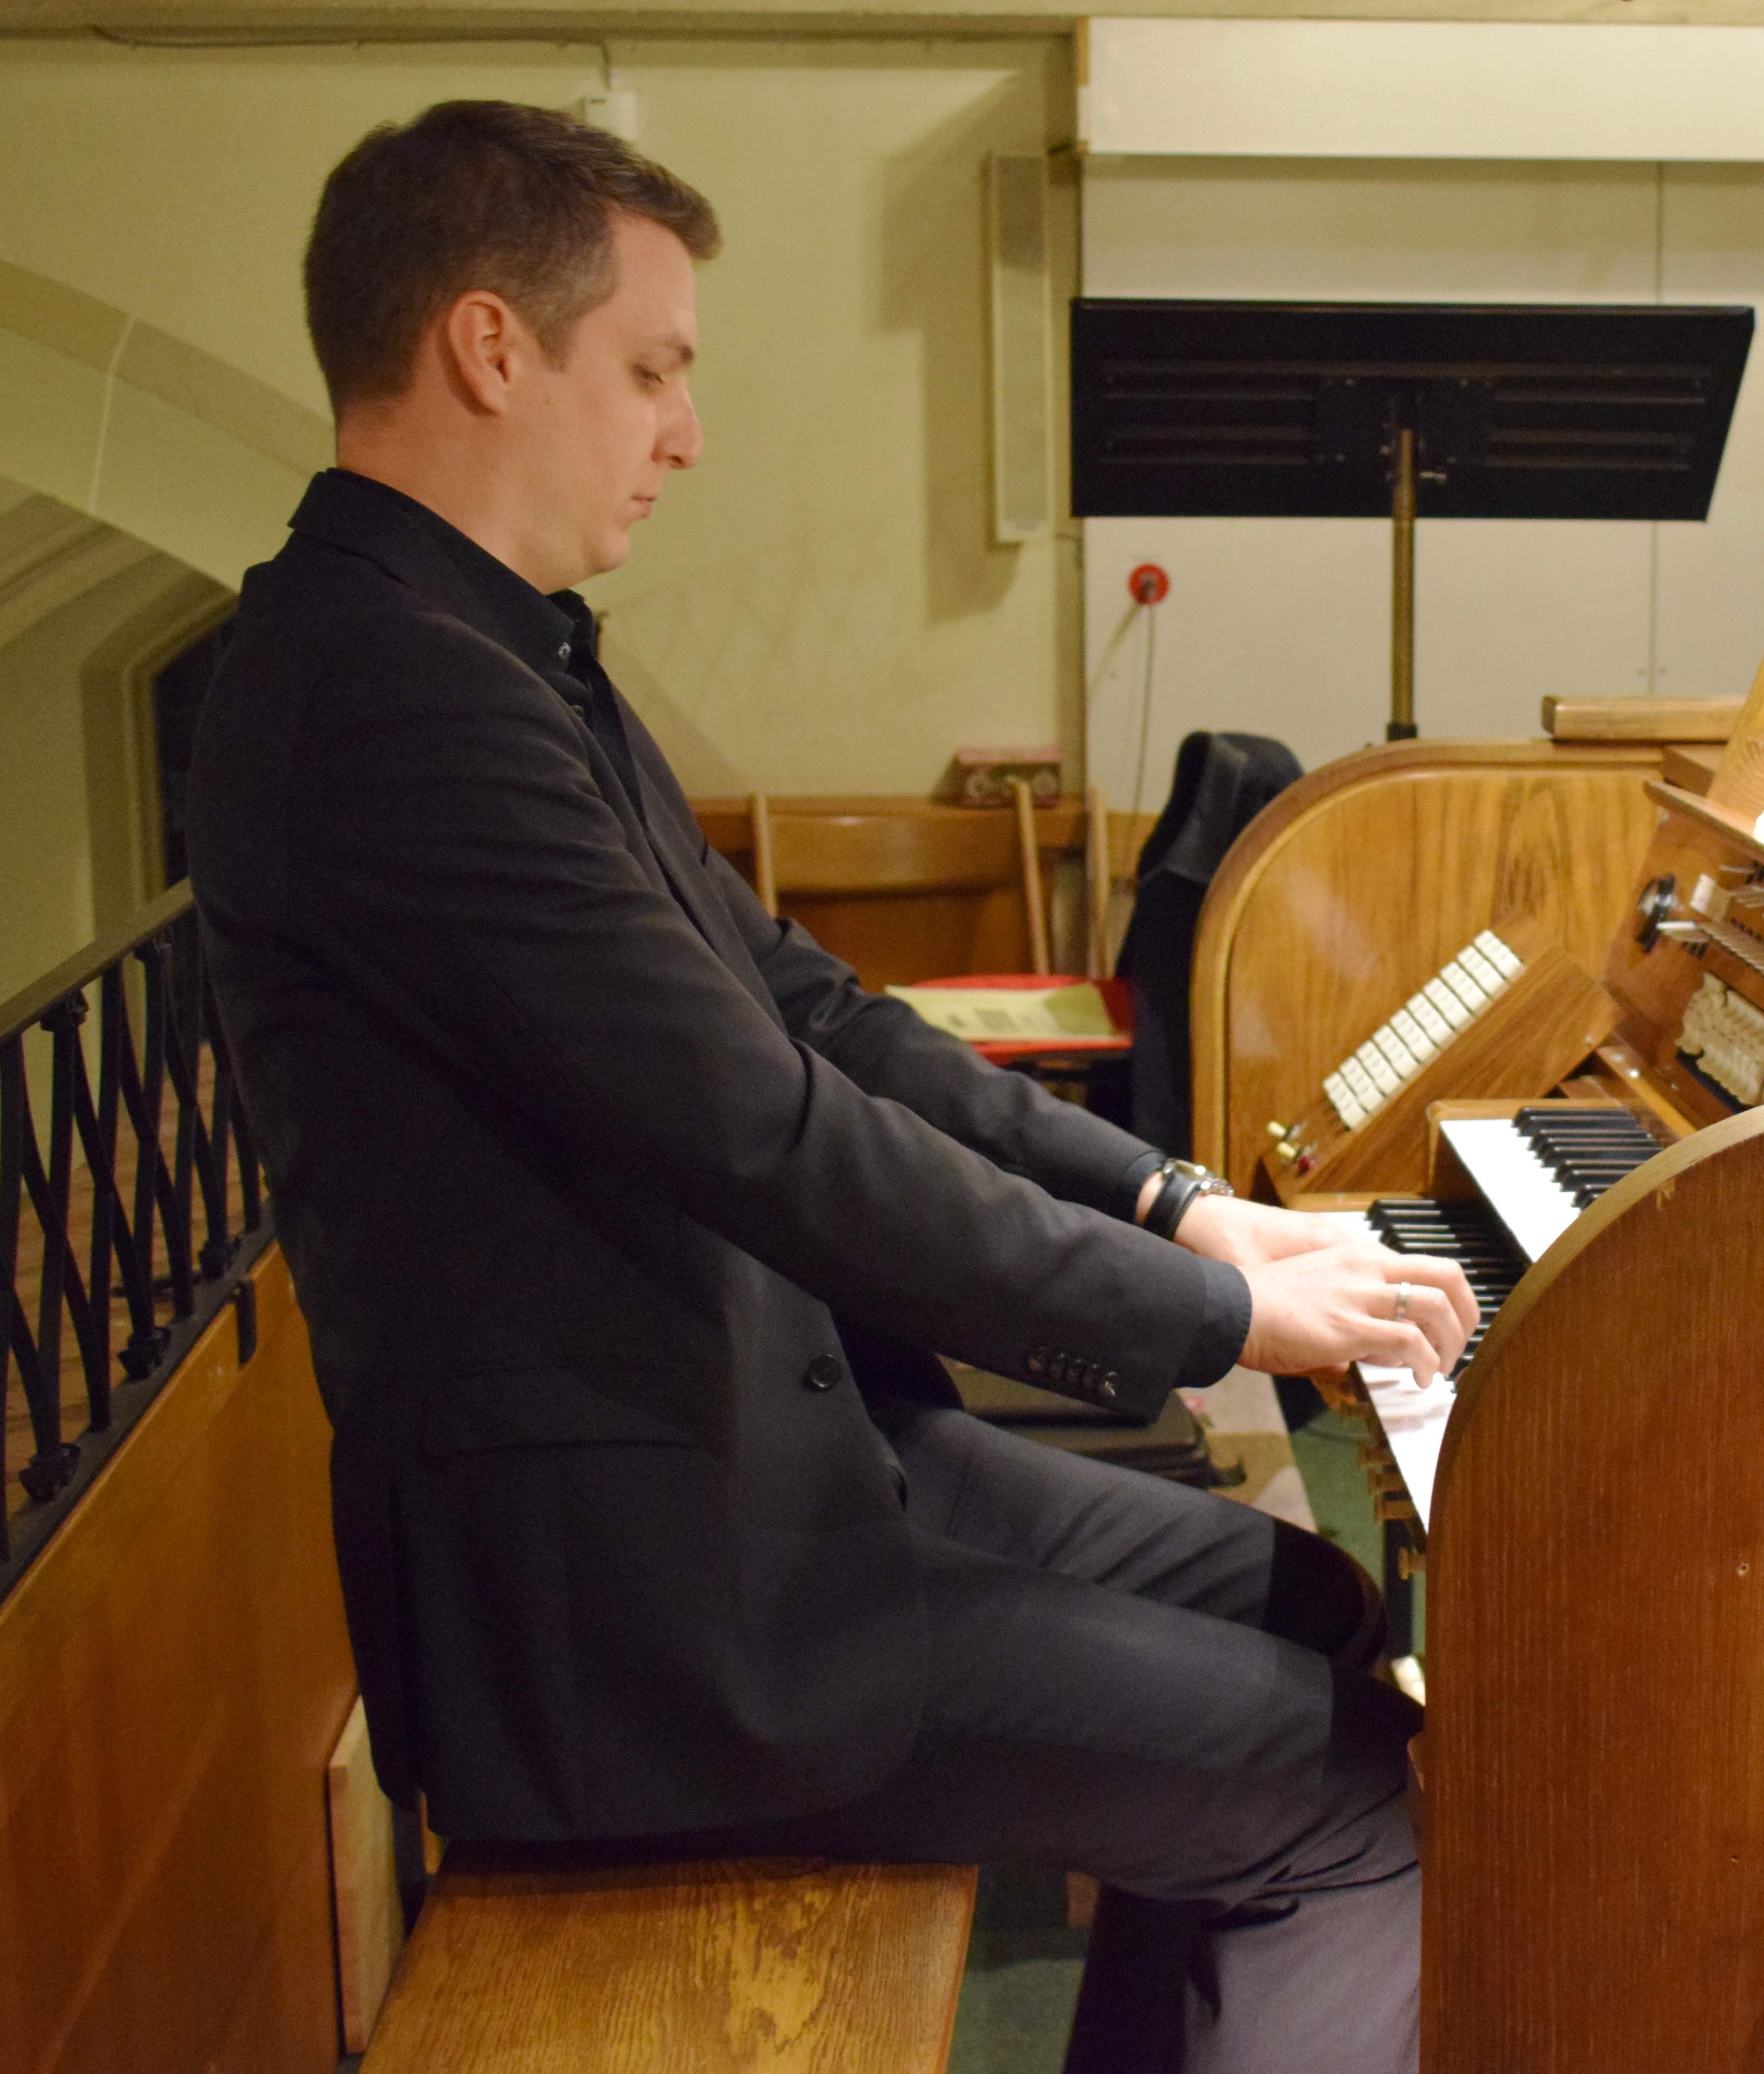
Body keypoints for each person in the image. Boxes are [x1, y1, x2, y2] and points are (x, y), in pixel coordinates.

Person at [187, 99, 1476, 2074]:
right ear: (490, 346)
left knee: (1308, 1605)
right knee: (1351, 1792)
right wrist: (1215, 1320)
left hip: (770, 1477)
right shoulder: (382, 692)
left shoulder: (492, 649)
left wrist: (1182, 1210)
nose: (686, 431)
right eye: (654, 370)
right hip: (647, 1617)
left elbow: (819, 1015)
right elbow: (766, 1133)